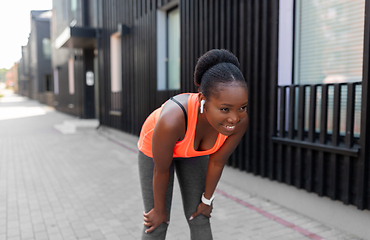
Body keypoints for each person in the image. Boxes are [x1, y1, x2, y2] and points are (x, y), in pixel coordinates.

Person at [137, 49, 249, 240]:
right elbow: (161, 170)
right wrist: (158, 209)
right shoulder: (172, 120)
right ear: (204, 101)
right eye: (225, 109)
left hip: (193, 155)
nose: (234, 118)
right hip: (156, 152)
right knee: (157, 223)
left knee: (200, 216)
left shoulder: (239, 121)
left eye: (242, 107)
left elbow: (217, 162)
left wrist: (207, 200)